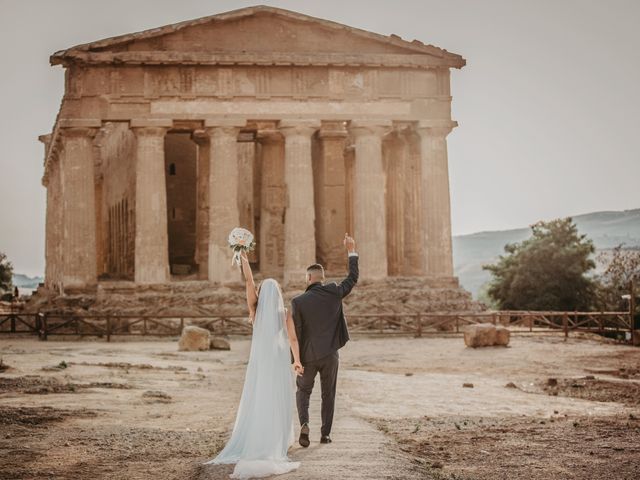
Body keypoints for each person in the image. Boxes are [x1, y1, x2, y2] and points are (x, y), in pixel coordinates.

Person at [203, 251, 303, 479]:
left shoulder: (255, 311)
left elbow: (249, 282)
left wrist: (244, 259)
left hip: (261, 361)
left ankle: (258, 439)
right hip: (278, 359)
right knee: (278, 398)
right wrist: (296, 360)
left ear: (262, 294)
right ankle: (279, 440)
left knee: (260, 397)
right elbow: (293, 339)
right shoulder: (285, 312)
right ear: (278, 294)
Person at [292, 233, 359, 447]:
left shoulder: (298, 302)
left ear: (309, 278)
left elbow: (297, 333)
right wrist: (351, 251)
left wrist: (296, 360)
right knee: (328, 394)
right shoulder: (333, 292)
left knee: (303, 391)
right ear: (322, 277)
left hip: (308, 355)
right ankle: (325, 434)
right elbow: (352, 278)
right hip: (331, 354)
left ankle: (304, 423)